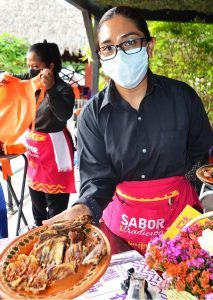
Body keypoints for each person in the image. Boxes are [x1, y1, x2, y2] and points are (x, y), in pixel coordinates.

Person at [44, 7, 213, 253]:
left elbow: (200, 155)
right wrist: (83, 207)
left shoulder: (183, 98)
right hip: (121, 232)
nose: (119, 54)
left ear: (149, 46)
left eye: (130, 42)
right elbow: (97, 179)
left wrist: (181, 191)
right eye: (108, 47)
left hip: (181, 222)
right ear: (101, 56)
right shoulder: (92, 116)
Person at [0, 41, 76, 226]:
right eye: (29, 66)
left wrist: (50, 89)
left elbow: (64, 114)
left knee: (55, 204)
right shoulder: (30, 81)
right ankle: (36, 229)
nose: (31, 70)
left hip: (55, 149)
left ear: (50, 66)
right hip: (34, 148)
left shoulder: (62, 89)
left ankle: (55, 235)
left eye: (36, 67)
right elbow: (14, 80)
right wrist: (4, 77)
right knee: (36, 197)